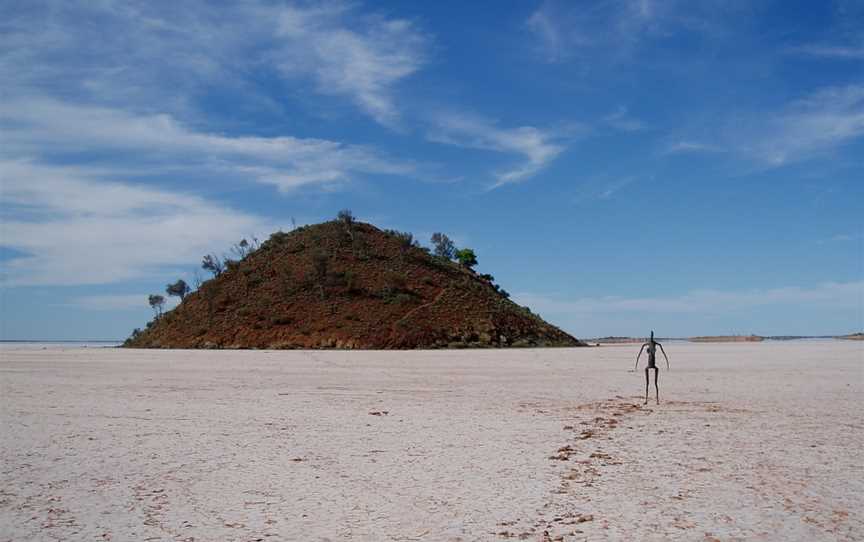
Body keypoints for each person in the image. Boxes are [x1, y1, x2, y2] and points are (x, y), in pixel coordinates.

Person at [634, 331, 669, 404]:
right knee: (648, 383)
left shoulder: (653, 344)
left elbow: (663, 352)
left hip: (653, 366)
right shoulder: (648, 345)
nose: (651, 337)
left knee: (655, 384)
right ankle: (647, 400)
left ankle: (657, 401)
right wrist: (636, 364)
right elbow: (639, 354)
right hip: (649, 366)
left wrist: (667, 362)